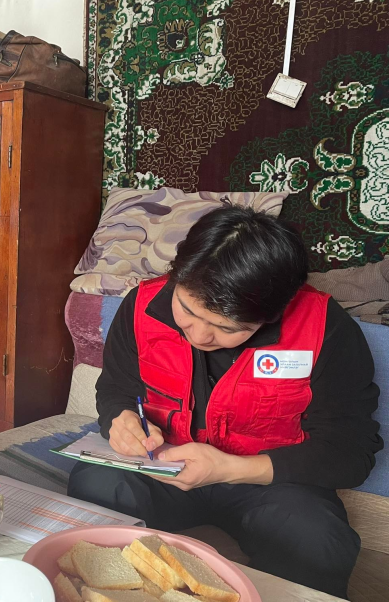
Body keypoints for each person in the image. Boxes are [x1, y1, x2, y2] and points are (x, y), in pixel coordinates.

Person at [67, 206, 383, 599]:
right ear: (177, 274)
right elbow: (116, 388)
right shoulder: (142, 307)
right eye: (187, 310)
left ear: (272, 313)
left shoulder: (324, 327)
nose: (199, 335)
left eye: (227, 327)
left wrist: (232, 468)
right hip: (164, 468)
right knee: (97, 483)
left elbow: (351, 452)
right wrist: (121, 418)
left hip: (267, 484)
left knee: (317, 539)